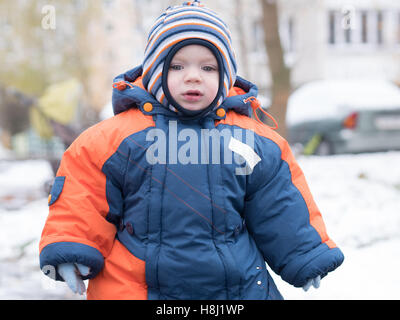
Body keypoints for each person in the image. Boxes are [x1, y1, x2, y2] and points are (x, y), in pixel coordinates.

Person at [39, 1, 344, 300]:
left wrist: (303, 253)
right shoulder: (116, 139)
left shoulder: (253, 142)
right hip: (135, 286)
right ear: (155, 72)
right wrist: (72, 244)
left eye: (208, 67)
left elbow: (278, 202)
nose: (194, 76)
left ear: (225, 76)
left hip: (236, 286)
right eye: (177, 65)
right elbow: (84, 195)